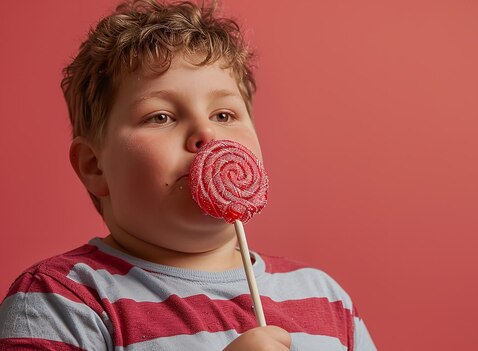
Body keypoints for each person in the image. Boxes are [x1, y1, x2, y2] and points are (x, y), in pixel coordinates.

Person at [0, 0, 376, 350]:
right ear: (94, 166)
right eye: (161, 116)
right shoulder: (61, 298)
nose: (206, 133)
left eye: (224, 115)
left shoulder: (325, 299)